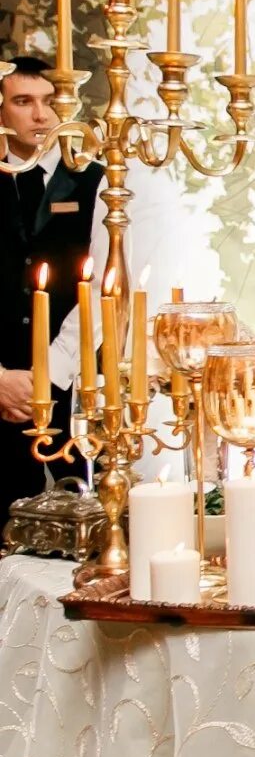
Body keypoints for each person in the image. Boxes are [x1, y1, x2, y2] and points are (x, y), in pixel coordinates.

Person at [0, 56, 107, 517]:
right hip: (0, 387)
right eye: (24, 101)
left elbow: (102, 290)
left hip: (73, 384)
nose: (41, 115)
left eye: (50, 100)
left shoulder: (98, 181)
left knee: (82, 520)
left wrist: (47, 376)